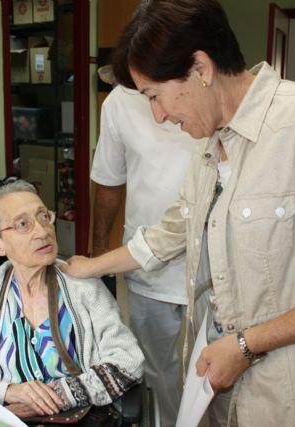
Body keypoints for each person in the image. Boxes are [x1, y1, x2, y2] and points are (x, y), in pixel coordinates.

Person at [60, 0, 295, 425]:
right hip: (225, 384)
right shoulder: (210, 143)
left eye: (155, 96)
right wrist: (90, 267)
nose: (159, 116)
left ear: (201, 68)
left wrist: (246, 345)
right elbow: (171, 233)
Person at [0, 180, 144, 419]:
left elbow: (128, 363)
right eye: (23, 224)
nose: (42, 231)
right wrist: (9, 392)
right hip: (4, 417)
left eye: (44, 217)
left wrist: (51, 399)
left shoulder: (85, 287)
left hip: (74, 418)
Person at [92, 82, 198, 426]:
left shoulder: (209, 87)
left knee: (212, 369)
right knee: (153, 370)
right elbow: (108, 181)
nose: (157, 112)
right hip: (145, 260)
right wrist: (98, 255)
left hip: (211, 262)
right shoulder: (119, 102)